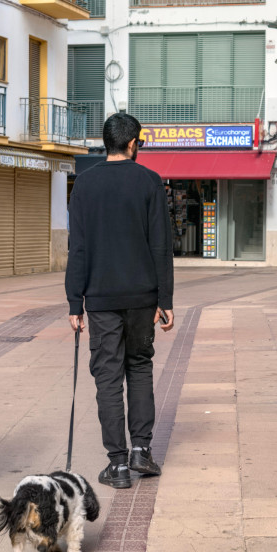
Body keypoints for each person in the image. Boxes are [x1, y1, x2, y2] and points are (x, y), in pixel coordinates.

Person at [65, 113, 175, 489]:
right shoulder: (149, 181)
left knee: (108, 376)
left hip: (100, 299)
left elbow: (76, 247)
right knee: (140, 367)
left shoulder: (85, 184)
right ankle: (141, 452)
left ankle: (117, 464)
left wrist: (73, 303)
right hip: (143, 298)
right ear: (132, 144)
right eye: (139, 142)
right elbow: (161, 245)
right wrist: (166, 298)